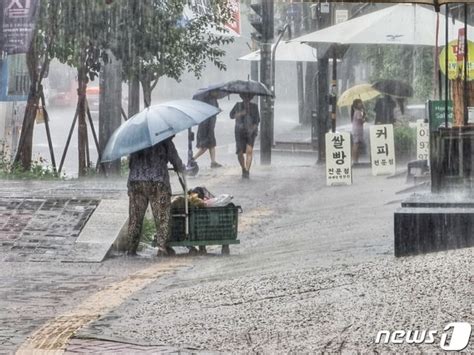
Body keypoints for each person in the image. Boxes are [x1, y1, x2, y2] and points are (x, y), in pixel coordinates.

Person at [127, 137, 184, 257]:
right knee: (162, 216)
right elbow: (177, 162)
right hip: (158, 182)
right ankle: (162, 247)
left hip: (136, 182)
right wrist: (182, 167)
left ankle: (131, 249)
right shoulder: (165, 140)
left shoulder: (136, 141)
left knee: (135, 217)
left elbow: (130, 163)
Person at [229, 93, 260, 179]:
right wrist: (240, 113)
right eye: (245, 97)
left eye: (248, 97)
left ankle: (247, 170)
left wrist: (252, 129)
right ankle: (243, 168)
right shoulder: (238, 105)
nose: (246, 99)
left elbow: (257, 121)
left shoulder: (254, 107)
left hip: (251, 132)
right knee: (239, 152)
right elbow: (231, 116)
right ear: (242, 97)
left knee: (249, 151)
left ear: (251, 98)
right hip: (239, 132)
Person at [193, 92, 222, 168]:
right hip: (206, 126)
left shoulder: (213, 100)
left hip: (209, 125)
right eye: (216, 91)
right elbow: (210, 112)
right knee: (204, 146)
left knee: (212, 144)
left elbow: (215, 111)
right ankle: (192, 159)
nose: (217, 93)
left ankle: (213, 162)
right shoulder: (208, 100)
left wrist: (218, 110)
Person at [351, 99, 366, 164]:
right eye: (360, 103)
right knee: (356, 145)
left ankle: (356, 160)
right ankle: (354, 160)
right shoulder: (357, 112)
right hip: (357, 130)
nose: (361, 104)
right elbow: (361, 121)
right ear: (356, 104)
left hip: (357, 130)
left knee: (357, 145)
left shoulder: (357, 111)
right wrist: (365, 118)